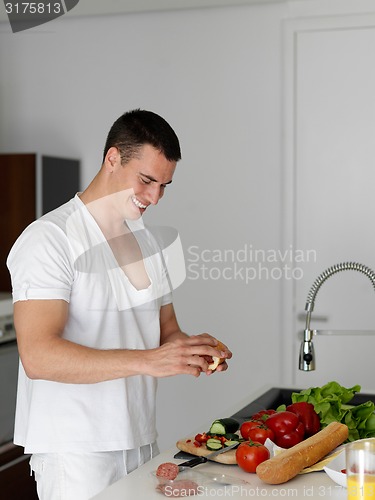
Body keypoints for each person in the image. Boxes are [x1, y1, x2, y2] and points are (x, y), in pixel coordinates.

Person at [6, 109, 231, 500]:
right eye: (146, 180)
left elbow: (166, 332)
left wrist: (192, 350)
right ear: (113, 159)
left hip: (139, 440)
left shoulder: (147, 242)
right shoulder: (50, 239)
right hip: (76, 450)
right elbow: (38, 356)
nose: (155, 197)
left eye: (165, 185)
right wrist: (149, 361)